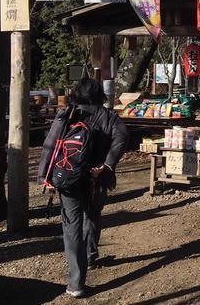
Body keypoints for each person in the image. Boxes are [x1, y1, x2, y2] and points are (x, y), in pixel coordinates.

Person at [37, 78, 129, 298]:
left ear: (77, 94)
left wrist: (44, 176)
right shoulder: (109, 116)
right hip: (95, 178)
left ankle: (76, 283)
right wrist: (107, 165)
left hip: (68, 178)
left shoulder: (68, 114)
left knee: (72, 227)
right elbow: (122, 138)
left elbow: (50, 144)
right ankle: (89, 254)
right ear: (100, 95)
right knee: (93, 215)